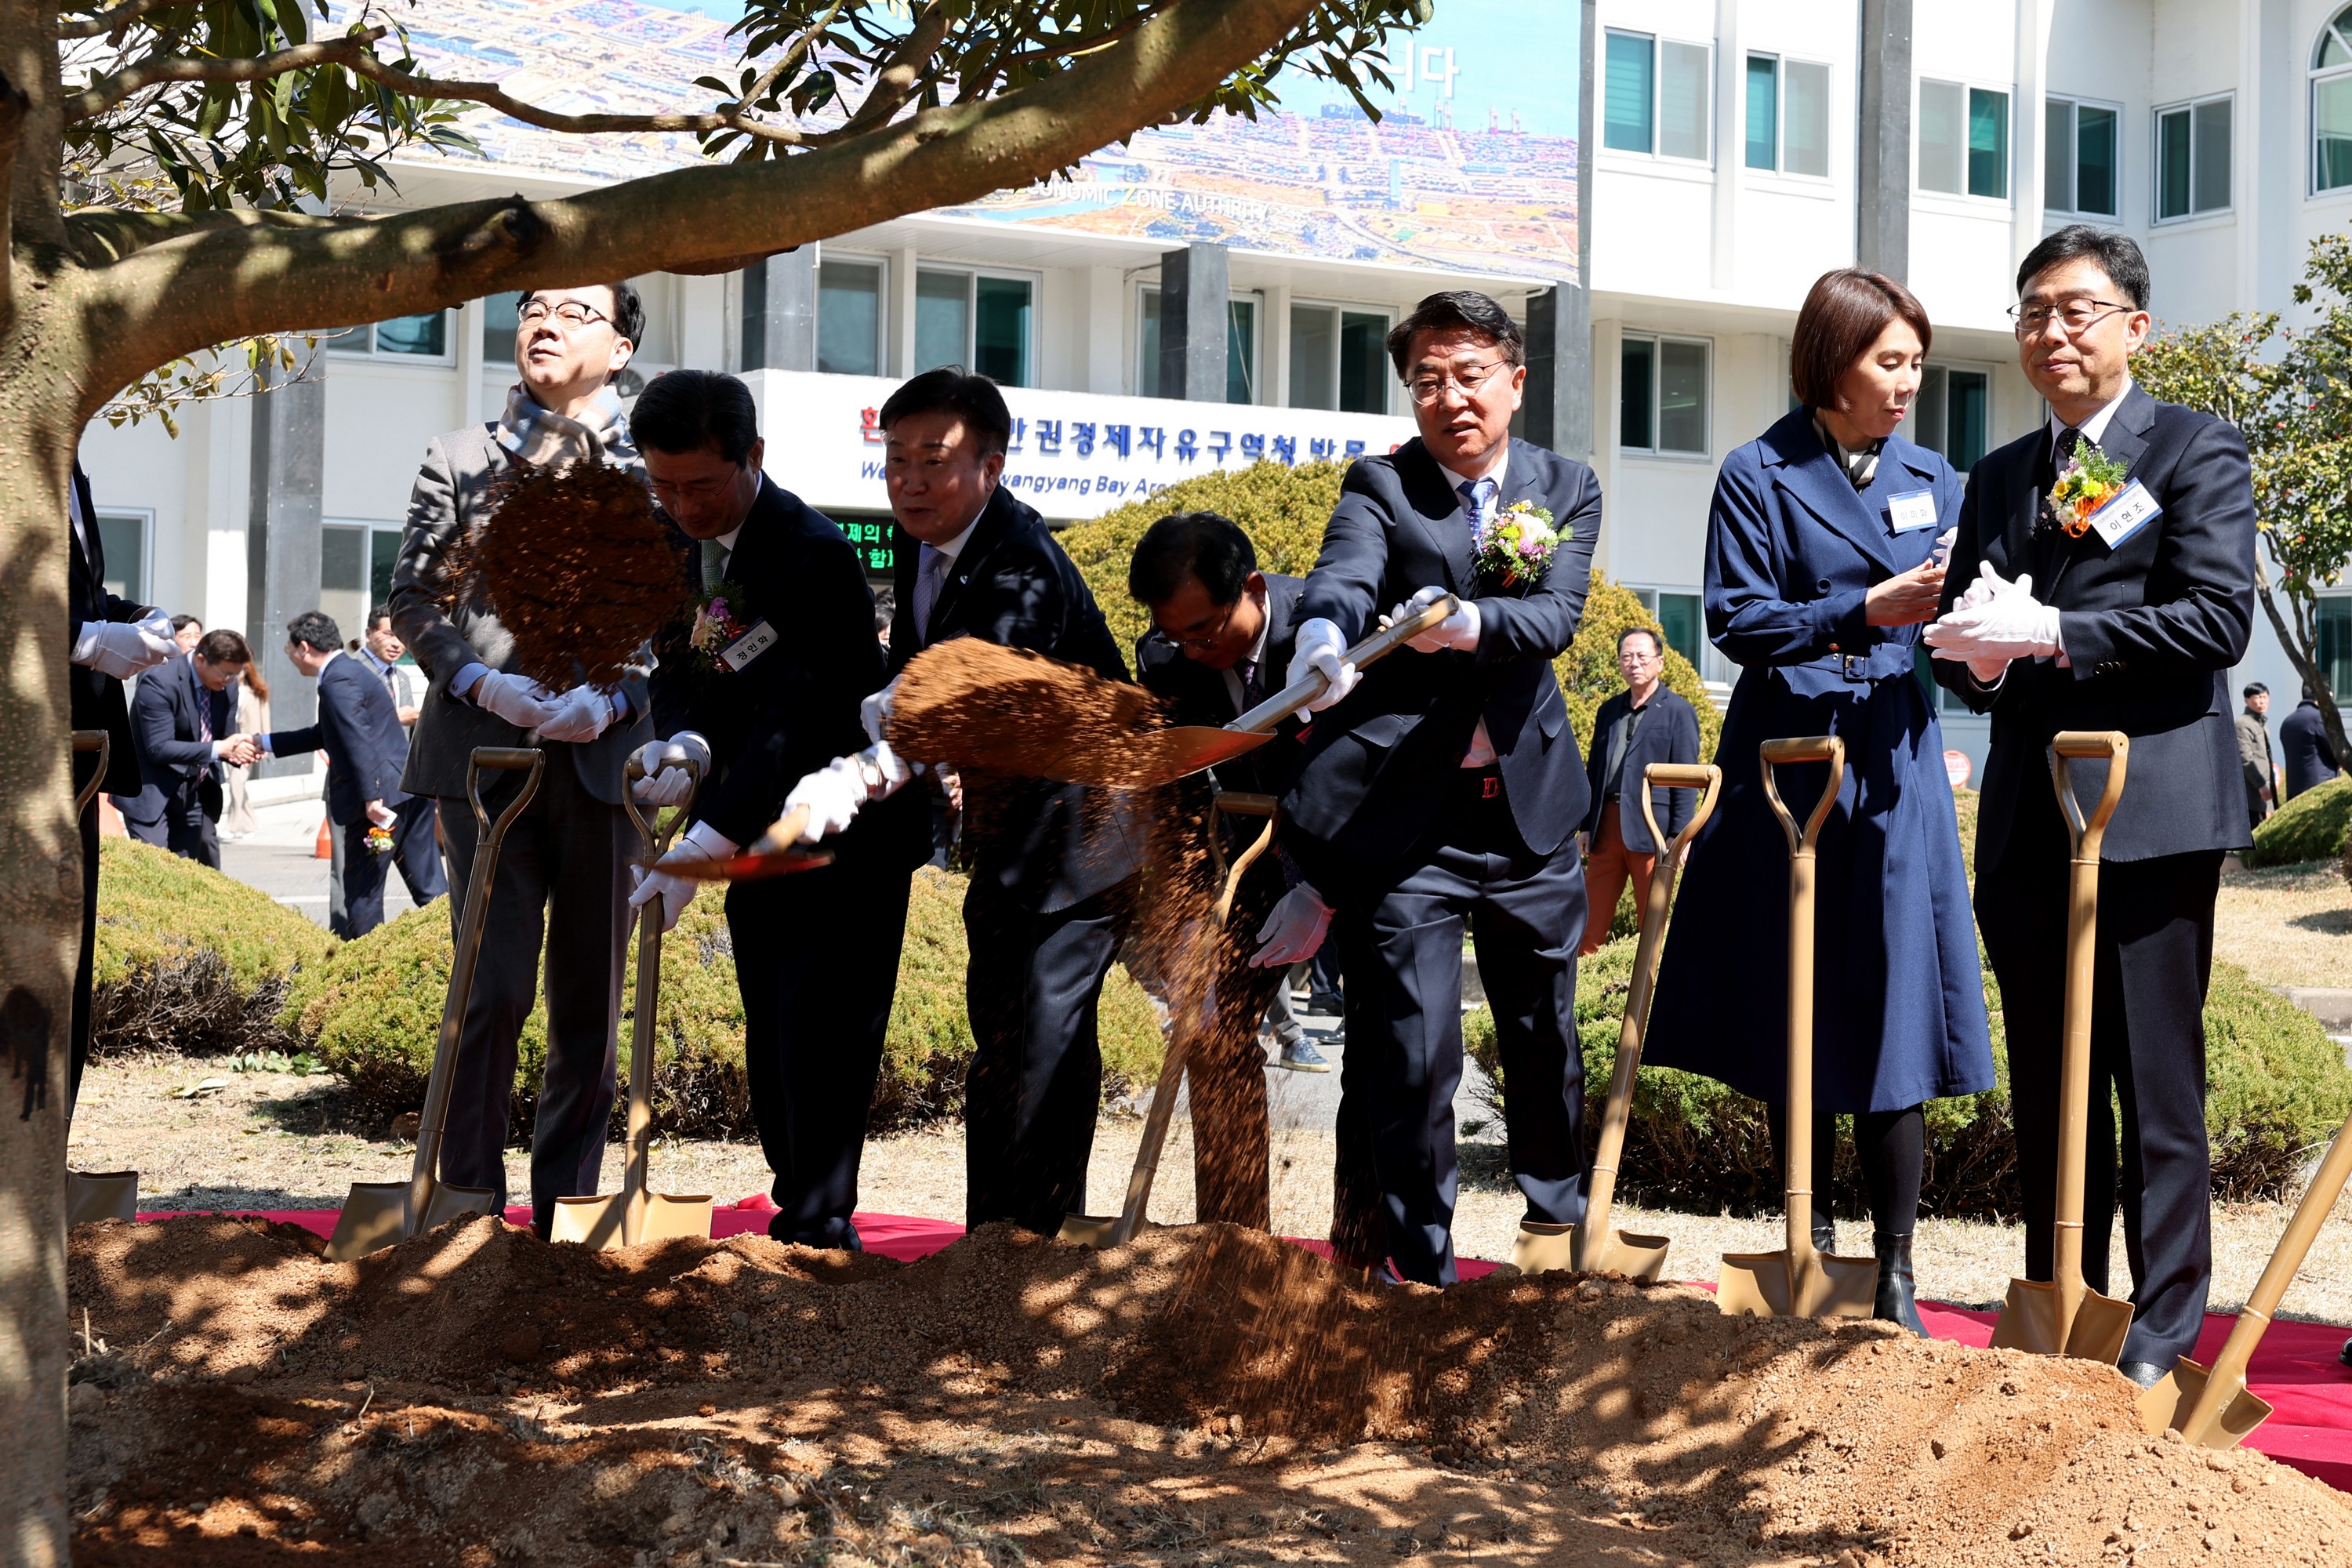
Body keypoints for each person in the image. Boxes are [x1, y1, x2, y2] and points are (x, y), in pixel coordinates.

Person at [1924, 225, 2256, 1387]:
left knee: (2154, 1080)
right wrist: (1970, 654)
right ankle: (2065, 1299)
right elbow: (1971, 639)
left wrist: (2061, 633)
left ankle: (2164, 1330)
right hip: (2027, 816)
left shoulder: (2195, 452)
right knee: (2052, 1082)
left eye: (2075, 309)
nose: (2051, 332)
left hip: (2150, 808)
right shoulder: (2000, 475)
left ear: (2134, 327)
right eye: (2031, 313)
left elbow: (2217, 623)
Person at [1646, 268, 1994, 1334]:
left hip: (1893, 754)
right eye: (1889, 363)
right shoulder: (1758, 472)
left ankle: (1895, 1265)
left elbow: (1962, 621)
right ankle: (1810, 1239)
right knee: (1791, 998)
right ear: (1829, 362)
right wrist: (1862, 609)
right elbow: (1737, 620)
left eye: (1917, 368)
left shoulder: (1940, 477)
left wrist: (1978, 635)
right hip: (1788, 757)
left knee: (1895, 1004)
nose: (1907, 386)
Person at [1258, 290, 1602, 1287]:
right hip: (1414, 824)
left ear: (1515, 382)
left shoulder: (1565, 484)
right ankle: (1423, 1270)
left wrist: (1467, 626)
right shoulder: (1384, 483)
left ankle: (1556, 1229)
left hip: (1529, 813)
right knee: (1413, 1053)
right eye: (1427, 382)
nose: (1449, 398)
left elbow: (1557, 616)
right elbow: (1343, 573)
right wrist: (1322, 636)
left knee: (1542, 1036)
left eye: (1469, 375)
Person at [785, 367, 1143, 1240]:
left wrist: (872, 762)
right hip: (1008, 826)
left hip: (1090, 826)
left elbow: (969, 690)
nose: (908, 480)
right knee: (1002, 1027)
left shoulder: (1023, 563)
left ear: (991, 463)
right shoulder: (917, 541)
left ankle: (1034, 1247)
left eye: (933, 460)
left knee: (1050, 1032)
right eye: (895, 458)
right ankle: (991, 1240)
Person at [629, 371, 929, 1250]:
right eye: (664, 484)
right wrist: (680, 745)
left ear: (752, 457)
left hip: (844, 831)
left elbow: (794, 719)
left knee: (826, 1027)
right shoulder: (672, 543)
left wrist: (706, 840)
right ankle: (796, 1197)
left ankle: (822, 1222)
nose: (681, 504)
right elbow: (678, 667)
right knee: (774, 1021)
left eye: (700, 485)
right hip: (751, 816)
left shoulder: (811, 553)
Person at [387, 281, 656, 1236]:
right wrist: (479, 684)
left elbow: (681, 607)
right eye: (533, 306)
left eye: (575, 312)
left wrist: (621, 692)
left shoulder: (657, 460)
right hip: (484, 761)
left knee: (591, 992)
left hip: (606, 764)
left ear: (621, 347)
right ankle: (462, 1200)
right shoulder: (460, 456)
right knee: (489, 985)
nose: (544, 322)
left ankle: (569, 1210)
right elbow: (414, 599)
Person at [1125, 512, 1313, 1229]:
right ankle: (1233, 1233)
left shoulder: (1324, 629)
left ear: (1253, 590)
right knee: (1212, 1030)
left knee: (1387, 1053)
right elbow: (1170, 790)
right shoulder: (1168, 657)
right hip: (1252, 854)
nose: (1193, 650)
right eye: (1176, 635)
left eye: (1206, 631)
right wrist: (1180, 924)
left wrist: (1321, 886)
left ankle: (1375, 1261)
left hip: (1360, 860)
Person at [66, 460, 178, 1110]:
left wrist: (134, 616)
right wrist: (82, 641)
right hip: (24, 750)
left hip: (84, 757)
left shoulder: (74, 469)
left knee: (72, 963)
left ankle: (50, 1148)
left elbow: (79, 596)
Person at [249, 611, 445, 938]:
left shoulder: (337, 678)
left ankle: (365, 974)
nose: (291, 656)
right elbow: (328, 733)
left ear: (303, 648)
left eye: (290, 649)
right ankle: (457, 962)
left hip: (381, 802)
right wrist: (264, 742)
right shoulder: (349, 671)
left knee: (363, 894)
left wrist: (372, 797)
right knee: (430, 889)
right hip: (408, 790)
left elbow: (358, 738)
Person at [1576, 626, 1702, 957]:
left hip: (1654, 829)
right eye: (1626, 656)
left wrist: (1679, 834)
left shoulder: (1678, 711)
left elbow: (1685, 777)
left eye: (1642, 656)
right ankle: (1583, 990)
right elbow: (1594, 772)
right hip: (1606, 827)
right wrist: (1586, 825)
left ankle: (1652, 988)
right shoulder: (1608, 711)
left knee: (1654, 917)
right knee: (1590, 919)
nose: (1634, 663)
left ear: (1659, 662)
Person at [122, 629, 260, 867]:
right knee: (156, 870)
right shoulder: (159, 680)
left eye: (236, 675)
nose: (230, 682)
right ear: (201, 660)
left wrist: (243, 748)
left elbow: (223, 738)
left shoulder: (228, 687)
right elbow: (159, 748)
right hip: (151, 790)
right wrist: (220, 748)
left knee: (191, 869)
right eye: (226, 674)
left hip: (193, 790)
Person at [220, 662, 269, 839]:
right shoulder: (225, 690)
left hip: (251, 745)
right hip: (231, 743)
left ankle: (232, 827)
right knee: (237, 784)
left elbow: (265, 720)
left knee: (236, 782)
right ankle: (250, 825)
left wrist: (266, 745)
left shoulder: (257, 692)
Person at [357, 604, 425, 729]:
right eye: (389, 635)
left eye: (402, 636)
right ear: (368, 634)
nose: (397, 644)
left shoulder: (402, 677)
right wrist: (395, 718)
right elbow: (346, 722)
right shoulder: (351, 670)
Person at [2281, 685, 2343, 800]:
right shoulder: (2319, 718)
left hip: (2295, 789)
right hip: (2320, 786)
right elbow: (2336, 749)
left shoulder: (2288, 721)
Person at [2236, 682, 2274, 830]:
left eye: (2265, 697)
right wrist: (2260, 784)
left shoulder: (2260, 723)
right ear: (2247, 700)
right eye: (2258, 697)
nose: (2262, 701)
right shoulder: (2243, 723)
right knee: (2253, 828)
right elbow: (2245, 758)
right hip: (2253, 788)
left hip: (2263, 785)